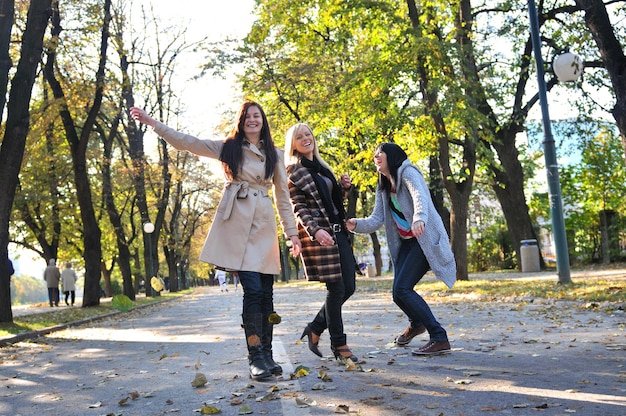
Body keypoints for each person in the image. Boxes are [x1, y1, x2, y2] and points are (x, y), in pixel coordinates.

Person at [130, 101, 301, 381]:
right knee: (254, 291)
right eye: (247, 116)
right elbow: (188, 143)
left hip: (264, 227)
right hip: (237, 227)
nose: (252, 120)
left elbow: (283, 197)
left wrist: (291, 233)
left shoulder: (275, 154)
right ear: (241, 121)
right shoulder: (229, 147)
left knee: (268, 294)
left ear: (263, 121)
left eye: (257, 116)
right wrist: (152, 123)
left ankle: (268, 355)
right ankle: (255, 356)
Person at [345, 143, 456, 355]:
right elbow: (377, 218)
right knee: (398, 293)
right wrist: (355, 225)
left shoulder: (408, 172)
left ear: (393, 155)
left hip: (423, 239)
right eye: (374, 153)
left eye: (380, 152)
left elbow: (419, 197)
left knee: (403, 289)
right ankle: (417, 323)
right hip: (408, 242)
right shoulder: (384, 186)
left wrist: (419, 218)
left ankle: (439, 337)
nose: (376, 156)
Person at [284, 123, 358, 362]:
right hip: (322, 236)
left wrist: (344, 188)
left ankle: (315, 327)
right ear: (293, 144)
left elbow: (331, 202)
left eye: (308, 134)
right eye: (300, 137)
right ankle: (339, 345)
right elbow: (299, 208)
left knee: (349, 287)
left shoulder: (323, 167)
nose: (306, 139)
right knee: (336, 289)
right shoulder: (294, 172)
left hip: (339, 233)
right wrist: (315, 231)